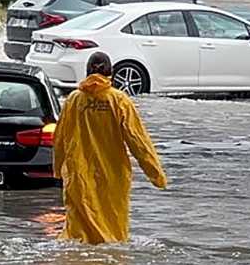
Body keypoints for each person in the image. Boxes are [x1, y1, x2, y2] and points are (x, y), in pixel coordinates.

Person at [53, 52, 167, 245]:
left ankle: (80, 264)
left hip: (78, 175)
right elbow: (138, 140)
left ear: (87, 71)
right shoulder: (119, 100)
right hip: (113, 177)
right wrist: (156, 174)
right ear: (110, 72)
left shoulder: (73, 100)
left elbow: (59, 139)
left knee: (79, 233)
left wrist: (57, 170)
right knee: (113, 231)